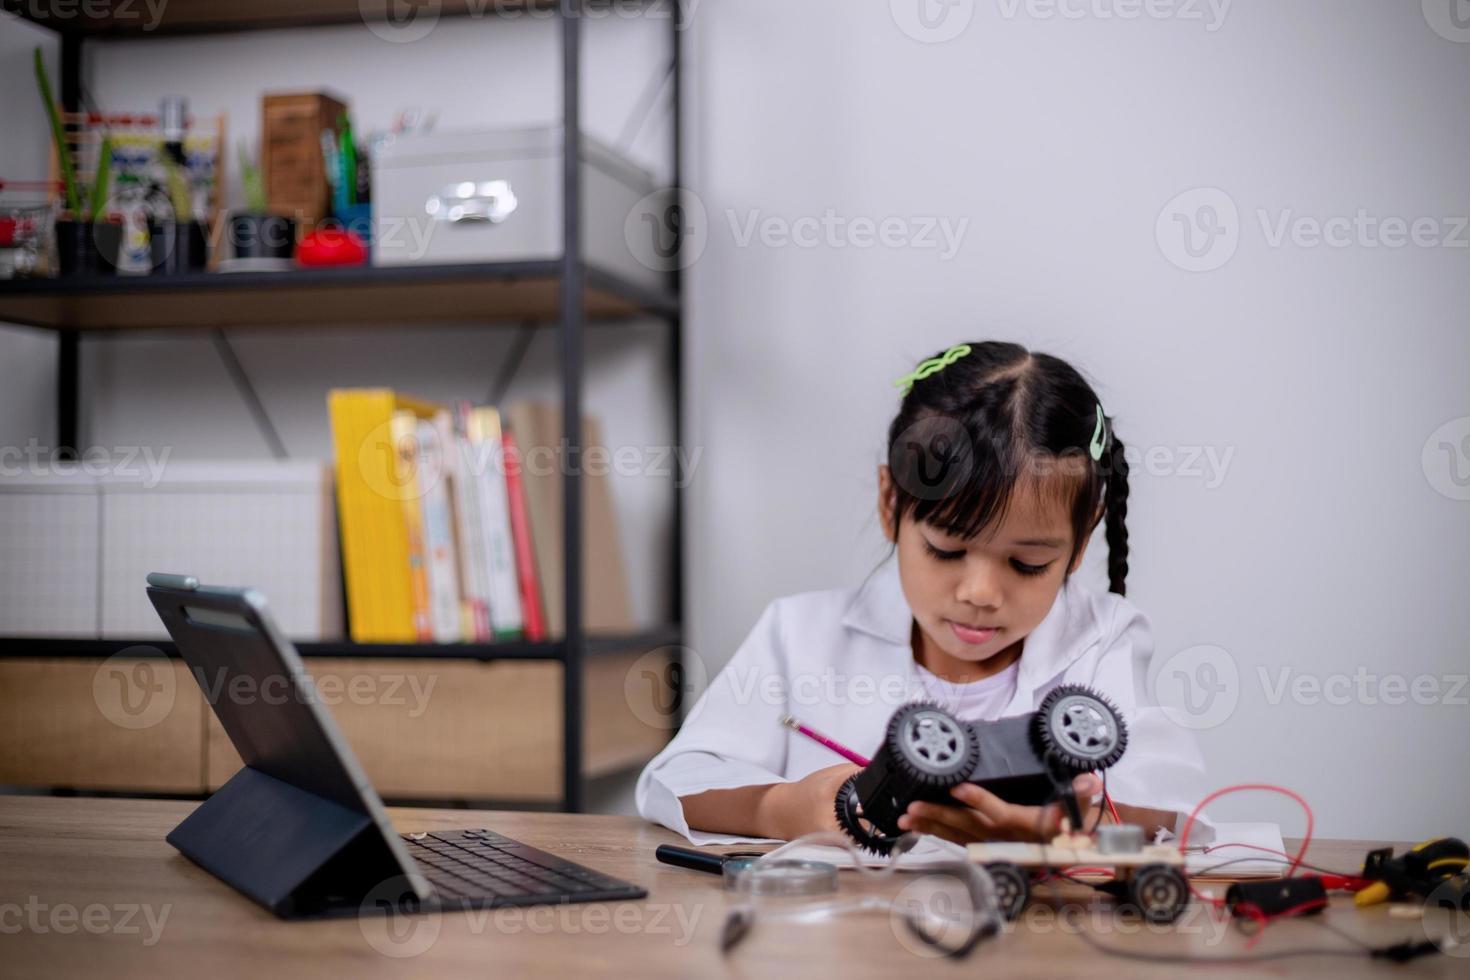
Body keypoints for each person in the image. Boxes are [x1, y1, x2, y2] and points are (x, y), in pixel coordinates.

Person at [637, 341, 1207, 845]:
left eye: (1028, 563)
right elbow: (679, 781)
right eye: (947, 551)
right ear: (891, 504)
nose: (981, 592)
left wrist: (1061, 830)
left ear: (1081, 543)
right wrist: (782, 808)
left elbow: (1165, 811)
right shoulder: (800, 634)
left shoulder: (1101, 637)